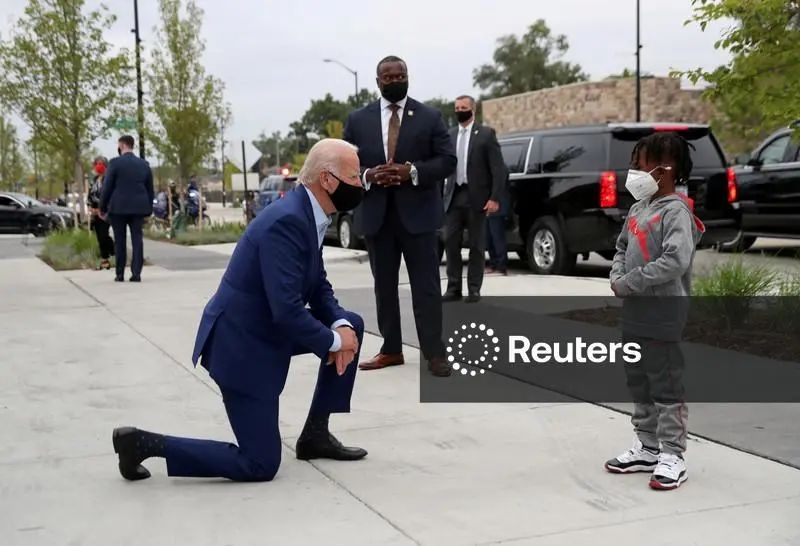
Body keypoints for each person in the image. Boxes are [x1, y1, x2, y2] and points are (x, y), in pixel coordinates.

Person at [111, 139, 367, 482]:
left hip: (266, 330)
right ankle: (142, 443)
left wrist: (339, 325)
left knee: (351, 323)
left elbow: (317, 284)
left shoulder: (308, 214)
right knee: (260, 463)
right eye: (354, 175)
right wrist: (336, 343)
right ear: (328, 180)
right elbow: (288, 311)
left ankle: (315, 435)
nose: (361, 183)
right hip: (243, 347)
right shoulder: (288, 221)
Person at [343, 55, 456, 377]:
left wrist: (413, 172)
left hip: (419, 217)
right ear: (377, 82)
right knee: (385, 288)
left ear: (408, 77)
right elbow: (344, 162)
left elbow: (447, 160)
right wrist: (368, 176)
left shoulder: (430, 116)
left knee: (427, 288)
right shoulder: (358, 119)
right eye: (388, 77)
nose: (395, 80)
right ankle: (391, 349)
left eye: (400, 75)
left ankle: (434, 354)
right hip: (377, 216)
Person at [605, 132, 705, 491]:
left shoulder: (676, 212)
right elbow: (620, 247)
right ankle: (647, 446)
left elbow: (676, 260)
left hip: (663, 313)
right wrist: (618, 275)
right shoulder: (638, 209)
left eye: (639, 165)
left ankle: (673, 453)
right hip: (634, 313)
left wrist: (631, 281)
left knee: (665, 381)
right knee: (639, 378)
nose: (633, 172)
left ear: (665, 170)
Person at [441, 95, 508, 302]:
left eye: (463, 107)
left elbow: (499, 169)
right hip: (454, 196)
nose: (460, 110)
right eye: (457, 107)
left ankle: (474, 289)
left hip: (477, 197)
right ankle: (453, 288)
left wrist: (495, 197)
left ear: (473, 109)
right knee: (450, 242)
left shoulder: (486, 135)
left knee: (477, 246)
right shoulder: (450, 135)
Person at [100, 135, 154, 283]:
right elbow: (150, 189)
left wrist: (102, 207)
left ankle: (120, 273)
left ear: (122, 146)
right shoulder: (144, 164)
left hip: (118, 208)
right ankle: (136, 273)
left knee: (120, 240)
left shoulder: (115, 163)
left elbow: (107, 187)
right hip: (138, 207)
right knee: (137, 239)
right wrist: (148, 209)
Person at [86, 156, 114, 270]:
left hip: (105, 212)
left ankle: (113, 249)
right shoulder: (94, 180)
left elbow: (111, 196)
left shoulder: (109, 180)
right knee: (99, 237)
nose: (99, 166)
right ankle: (104, 260)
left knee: (104, 235)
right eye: (97, 163)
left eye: (101, 163)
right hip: (95, 213)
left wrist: (102, 209)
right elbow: (90, 196)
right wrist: (90, 208)